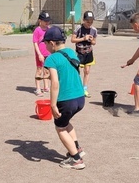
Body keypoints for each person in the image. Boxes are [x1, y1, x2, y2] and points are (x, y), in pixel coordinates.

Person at [43, 26, 86, 170]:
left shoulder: (52, 58)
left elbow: (55, 83)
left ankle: (76, 160)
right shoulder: (71, 52)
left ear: (52, 43)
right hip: (80, 98)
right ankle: (77, 148)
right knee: (66, 122)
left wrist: (53, 105)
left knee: (60, 127)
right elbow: (66, 72)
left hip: (66, 100)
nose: (46, 47)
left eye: (46, 44)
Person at [71, 11, 98, 98]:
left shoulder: (94, 30)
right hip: (79, 53)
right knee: (76, 71)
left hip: (89, 53)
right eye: (87, 21)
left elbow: (94, 42)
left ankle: (84, 89)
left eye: (91, 21)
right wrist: (83, 38)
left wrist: (91, 40)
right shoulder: (78, 28)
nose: (89, 23)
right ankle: (76, 88)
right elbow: (72, 40)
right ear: (83, 20)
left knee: (87, 71)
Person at [32, 11, 52, 96]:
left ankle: (46, 86)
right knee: (39, 70)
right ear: (40, 20)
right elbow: (35, 43)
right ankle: (38, 88)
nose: (47, 22)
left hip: (48, 53)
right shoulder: (37, 30)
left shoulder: (48, 29)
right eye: (45, 21)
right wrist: (39, 54)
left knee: (47, 70)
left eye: (48, 21)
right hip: (40, 54)